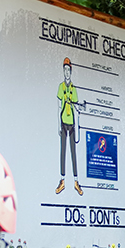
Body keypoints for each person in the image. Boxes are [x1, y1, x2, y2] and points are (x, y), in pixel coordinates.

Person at [57, 57, 82, 196]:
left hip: (72, 123)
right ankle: (62, 181)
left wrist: (77, 129)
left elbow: (77, 109)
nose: (67, 72)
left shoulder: (74, 89)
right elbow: (58, 106)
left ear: (71, 72)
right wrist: (57, 126)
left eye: (68, 70)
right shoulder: (61, 87)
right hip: (63, 122)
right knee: (63, 152)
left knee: (73, 153)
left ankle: (76, 181)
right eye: (65, 70)